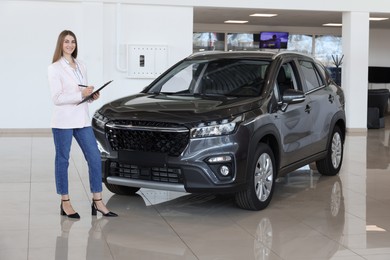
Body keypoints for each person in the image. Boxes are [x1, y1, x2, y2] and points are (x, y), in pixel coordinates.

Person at [48, 30, 117, 218]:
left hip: (82, 119)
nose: (70, 45)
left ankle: (98, 201)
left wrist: (90, 97)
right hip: (63, 121)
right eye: (66, 42)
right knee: (63, 160)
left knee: (94, 157)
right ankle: (65, 202)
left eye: (73, 42)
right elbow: (57, 98)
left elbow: (81, 92)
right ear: (60, 44)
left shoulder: (81, 65)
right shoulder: (54, 68)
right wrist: (81, 94)